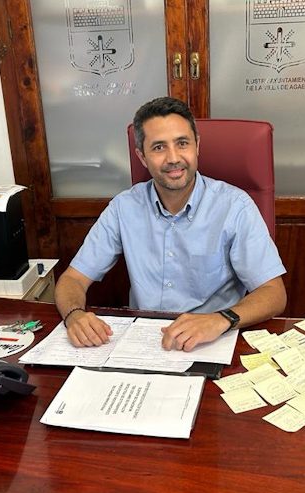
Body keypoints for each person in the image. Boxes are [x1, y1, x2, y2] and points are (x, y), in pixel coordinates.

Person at [55, 97, 287, 351]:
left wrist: (221, 319)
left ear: (197, 146)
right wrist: (74, 315)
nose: (173, 158)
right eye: (158, 148)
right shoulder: (124, 207)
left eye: (182, 143)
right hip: (145, 342)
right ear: (142, 157)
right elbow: (73, 279)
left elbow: (274, 293)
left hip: (213, 340)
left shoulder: (235, 206)